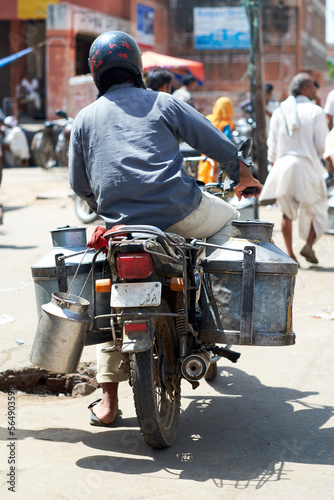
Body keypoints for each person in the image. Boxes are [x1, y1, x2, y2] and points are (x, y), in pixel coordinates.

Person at [68, 31, 261, 426]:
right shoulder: (164, 102)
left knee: (110, 295)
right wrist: (242, 176)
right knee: (228, 221)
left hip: (121, 228)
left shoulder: (84, 118)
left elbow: (79, 184)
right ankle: (211, 318)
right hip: (179, 212)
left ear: (96, 73)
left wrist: (105, 208)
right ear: (137, 67)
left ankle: (107, 402)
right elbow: (215, 142)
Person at [259, 73, 328, 265]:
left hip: (284, 166)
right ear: (305, 89)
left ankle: (289, 253)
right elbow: (322, 146)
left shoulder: (281, 110)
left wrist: (274, 164)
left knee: (286, 213)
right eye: (313, 87)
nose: (315, 91)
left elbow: (271, 144)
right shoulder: (315, 111)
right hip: (307, 166)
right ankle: (309, 244)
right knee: (318, 207)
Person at [197, 96, 235, 183]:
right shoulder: (226, 123)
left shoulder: (208, 118)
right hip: (219, 157)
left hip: (205, 153)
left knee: (205, 176)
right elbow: (226, 140)